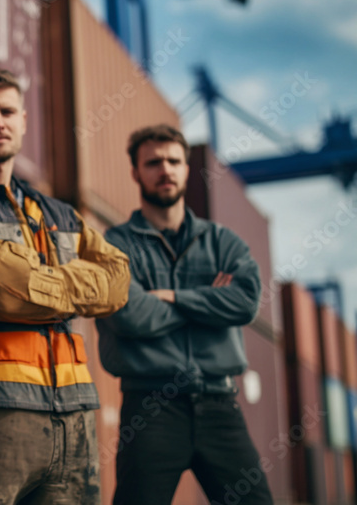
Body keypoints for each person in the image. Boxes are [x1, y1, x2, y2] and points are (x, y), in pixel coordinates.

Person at [0, 66, 131, 505]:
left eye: (8, 111)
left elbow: (119, 281)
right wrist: (74, 294)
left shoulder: (58, 211)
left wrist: (34, 285)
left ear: (24, 120)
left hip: (77, 418)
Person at [97, 124, 273, 505]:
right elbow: (131, 315)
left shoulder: (223, 242)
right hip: (150, 408)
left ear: (186, 168)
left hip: (220, 404)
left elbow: (243, 303)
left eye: (174, 161)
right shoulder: (114, 245)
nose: (166, 170)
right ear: (135, 172)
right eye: (154, 162)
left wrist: (172, 297)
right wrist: (209, 301)